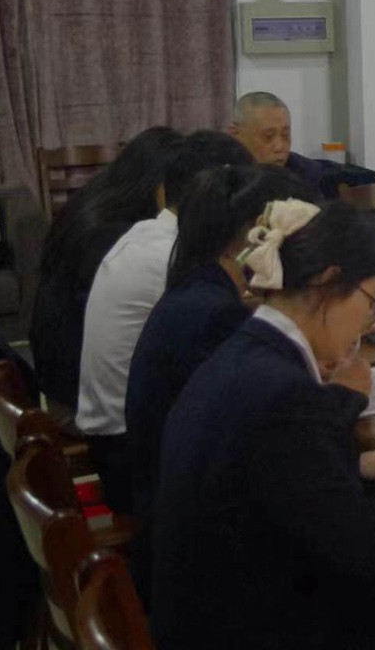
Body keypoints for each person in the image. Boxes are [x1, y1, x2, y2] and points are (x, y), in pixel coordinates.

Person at [150, 200, 375, 650]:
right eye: (368, 303)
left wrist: (361, 464)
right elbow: (366, 548)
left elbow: (262, 474)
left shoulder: (244, 351)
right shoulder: (285, 395)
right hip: (254, 626)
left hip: (205, 610)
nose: (366, 324)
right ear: (329, 283)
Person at [123, 164, 312, 582]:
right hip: (197, 553)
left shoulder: (198, 287)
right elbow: (277, 431)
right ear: (256, 232)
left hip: (166, 511)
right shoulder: (215, 317)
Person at [75, 131, 253, 511]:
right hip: (132, 457)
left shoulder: (149, 233)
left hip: (116, 434)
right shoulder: (171, 255)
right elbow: (239, 347)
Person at [28, 126, 184, 416]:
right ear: (161, 187)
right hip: (80, 406)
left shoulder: (95, 203)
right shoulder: (115, 238)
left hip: (61, 383)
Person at [230, 91, 340, 198]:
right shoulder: (223, 179)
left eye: (285, 135)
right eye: (268, 137)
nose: (279, 147)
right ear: (236, 134)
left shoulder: (306, 174)